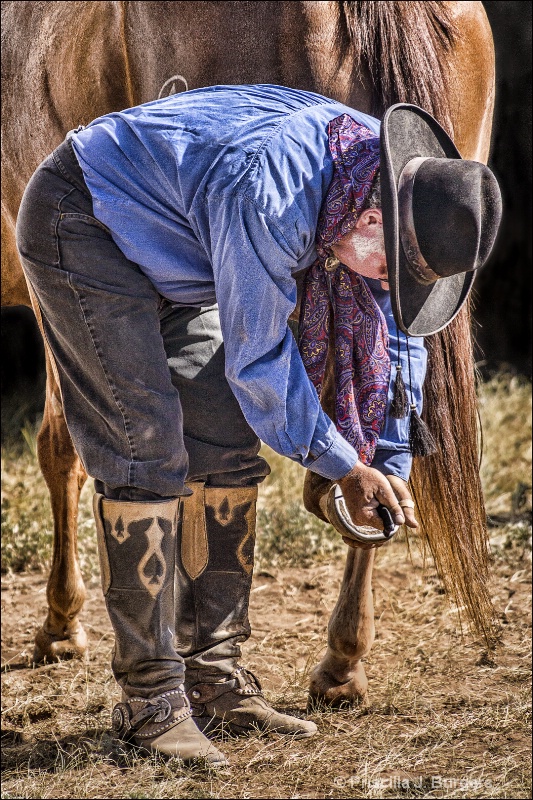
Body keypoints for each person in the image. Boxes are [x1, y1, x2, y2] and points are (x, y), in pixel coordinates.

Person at [16, 84, 501, 767]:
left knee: (227, 440)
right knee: (144, 446)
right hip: (85, 221)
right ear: (366, 222)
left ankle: (214, 679)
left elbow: (399, 333)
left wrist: (388, 459)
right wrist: (341, 464)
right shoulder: (272, 197)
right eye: (391, 270)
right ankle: (149, 703)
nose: (390, 286)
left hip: (188, 238)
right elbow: (261, 364)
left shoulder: (390, 184)